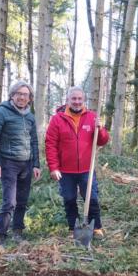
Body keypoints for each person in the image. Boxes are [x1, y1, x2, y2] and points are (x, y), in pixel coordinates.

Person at [45, 86, 110, 238]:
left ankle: (96, 227)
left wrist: (100, 130)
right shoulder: (57, 119)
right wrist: (53, 167)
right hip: (65, 170)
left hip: (87, 168)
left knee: (92, 197)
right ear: (67, 100)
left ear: (84, 100)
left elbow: (103, 141)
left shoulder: (92, 117)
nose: (77, 102)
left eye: (80, 99)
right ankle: (72, 227)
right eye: (73, 99)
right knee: (69, 198)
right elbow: (50, 144)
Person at [0, 81, 41, 247]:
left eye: (25, 95)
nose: (22, 97)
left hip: (26, 164)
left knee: (22, 201)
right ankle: (1, 235)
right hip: (8, 163)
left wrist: (36, 164)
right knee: (9, 202)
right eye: (18, 93)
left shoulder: (30, 117)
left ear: (29, 98)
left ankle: (17, 232)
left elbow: (34, 142)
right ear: (12, 95)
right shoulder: (1, 112)